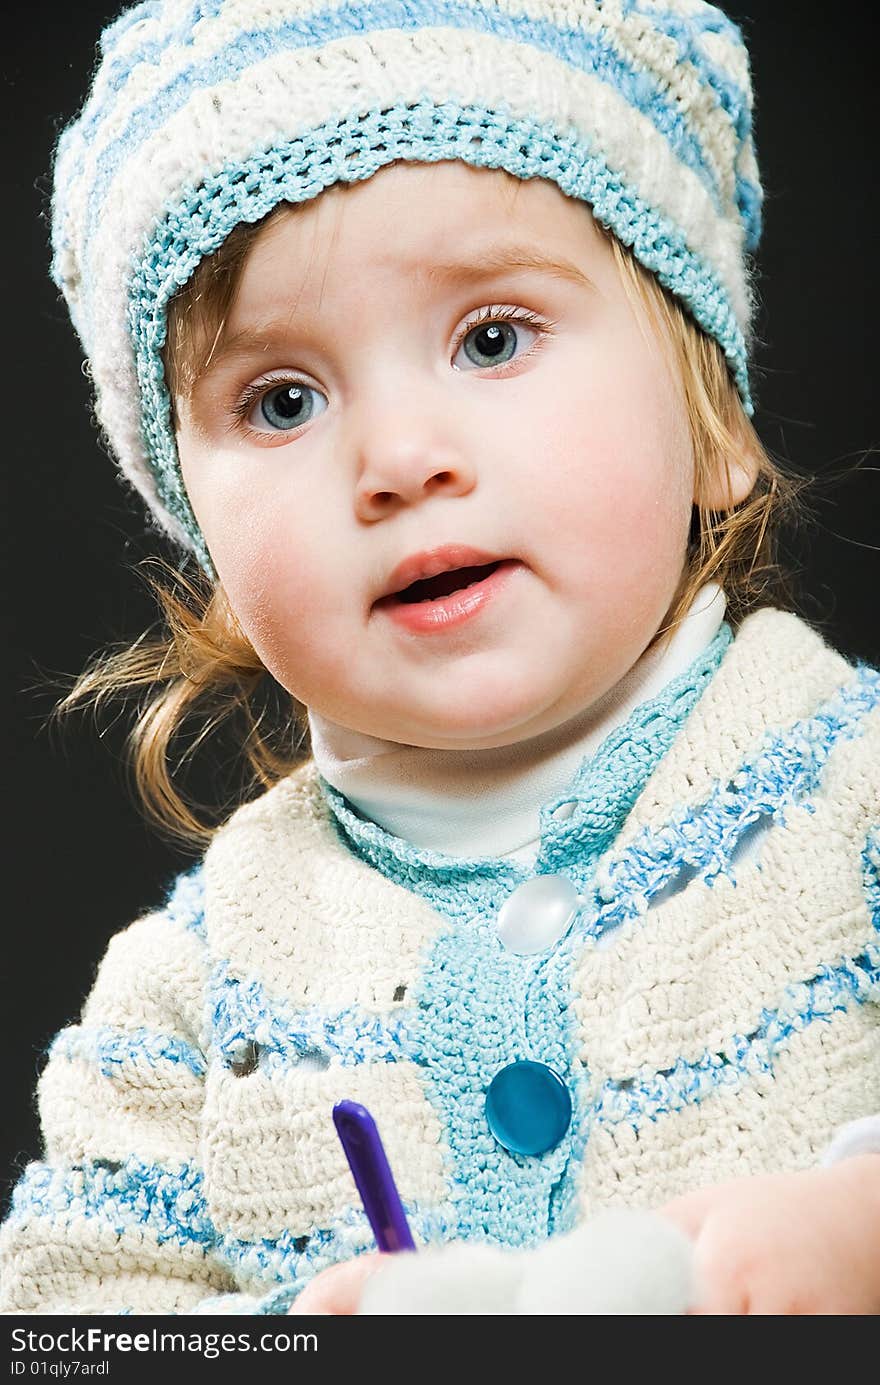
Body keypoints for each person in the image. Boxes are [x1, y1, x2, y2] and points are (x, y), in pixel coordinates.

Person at [2, 0, 878, 1317]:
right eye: (280, 399)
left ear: (715, 429)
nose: (402, 460)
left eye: (491, 337)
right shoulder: (191, 998)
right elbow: (70, 1321)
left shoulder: (848, 793)